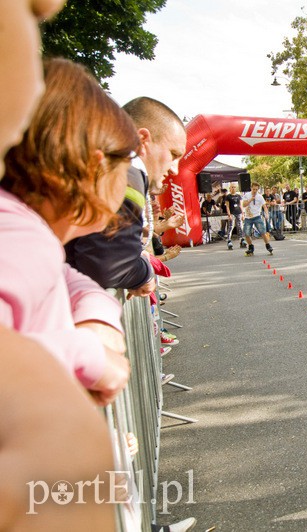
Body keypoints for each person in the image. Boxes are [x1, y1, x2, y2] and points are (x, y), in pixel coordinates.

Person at [0, 2, 119, 528]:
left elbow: (67, 279)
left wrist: (96, 310)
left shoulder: (31, 234)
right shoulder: (19, 234)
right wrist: (88, 355)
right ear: (96, 166)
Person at [65, 96, 187, 299]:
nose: (174, 169)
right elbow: (109, 264)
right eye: (173, 154)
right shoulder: (126, 173)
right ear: (142, 140)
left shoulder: (97, 162)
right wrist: (143, 274)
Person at [241, 182, 273, 256]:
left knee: (263, 232)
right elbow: (244, 204)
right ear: (251, 188)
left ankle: (268, 245)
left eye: (256, 189)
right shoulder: (247, 195)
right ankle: (250, 247)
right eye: (253, 189)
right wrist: (250, 200)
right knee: (247, 233)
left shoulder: (260, 196)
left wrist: (267, 214)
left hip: (257, 216)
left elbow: (264, 206)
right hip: (248, 217)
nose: (255, 191)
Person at [225, 183, 245, 249]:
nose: (233, 188)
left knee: (240, 226)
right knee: (231, 226)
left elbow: (241, 205)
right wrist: (229, 214)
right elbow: (227, 206)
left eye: (234, 187)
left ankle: (242, 239)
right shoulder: (228, 196)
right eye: (232, 187)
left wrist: (243, 214)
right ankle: (229, 240)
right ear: (230, 188)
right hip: (232, 213)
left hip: (238, 212)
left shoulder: (239, 196)